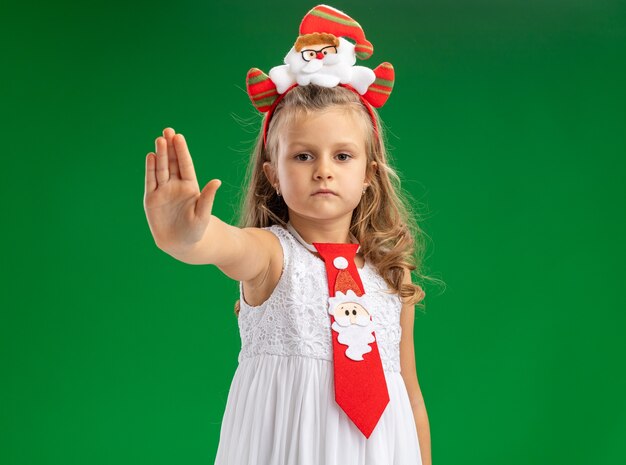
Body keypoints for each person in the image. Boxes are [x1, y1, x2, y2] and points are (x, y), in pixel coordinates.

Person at [143, 5, 433, 465]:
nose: (322, 170)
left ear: (368, 176)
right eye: (302, 156)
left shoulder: (389, 279)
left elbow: (411, 396)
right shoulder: (271, 256)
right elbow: (221, 244)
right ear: (272, 174)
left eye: (342, 156)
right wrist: (184, 236)